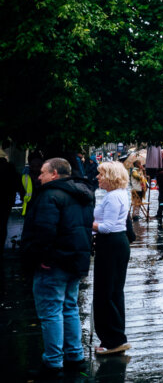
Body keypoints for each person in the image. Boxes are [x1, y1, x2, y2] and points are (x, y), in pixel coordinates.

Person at [21, 158, 94, 378]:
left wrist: (41, 256)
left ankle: (53, 361)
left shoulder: (49, 195)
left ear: (54, 174)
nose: (38, 177)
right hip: (75, 260)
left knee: (51, 311)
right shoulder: (82, 195)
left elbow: (45, 231)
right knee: (69, 307)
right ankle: (75, 355)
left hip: (53, 262)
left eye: (42, 172)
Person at [92, 161, 132, 356]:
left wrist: (87, 223)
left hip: (111, 244)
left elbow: (107, 226)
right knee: (113, 291)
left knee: (106, 292)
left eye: (101, 174)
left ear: (110, 176)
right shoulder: (117, 194)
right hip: (116, 244)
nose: (98, 177)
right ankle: (114, 337)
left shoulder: (113, 197)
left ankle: (113, 340)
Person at [0, 148, 24, 258]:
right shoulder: (11, 169)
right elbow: (19, 186)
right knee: (3, 224)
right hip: (7, 200)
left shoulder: (9, 169)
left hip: (7, 199)